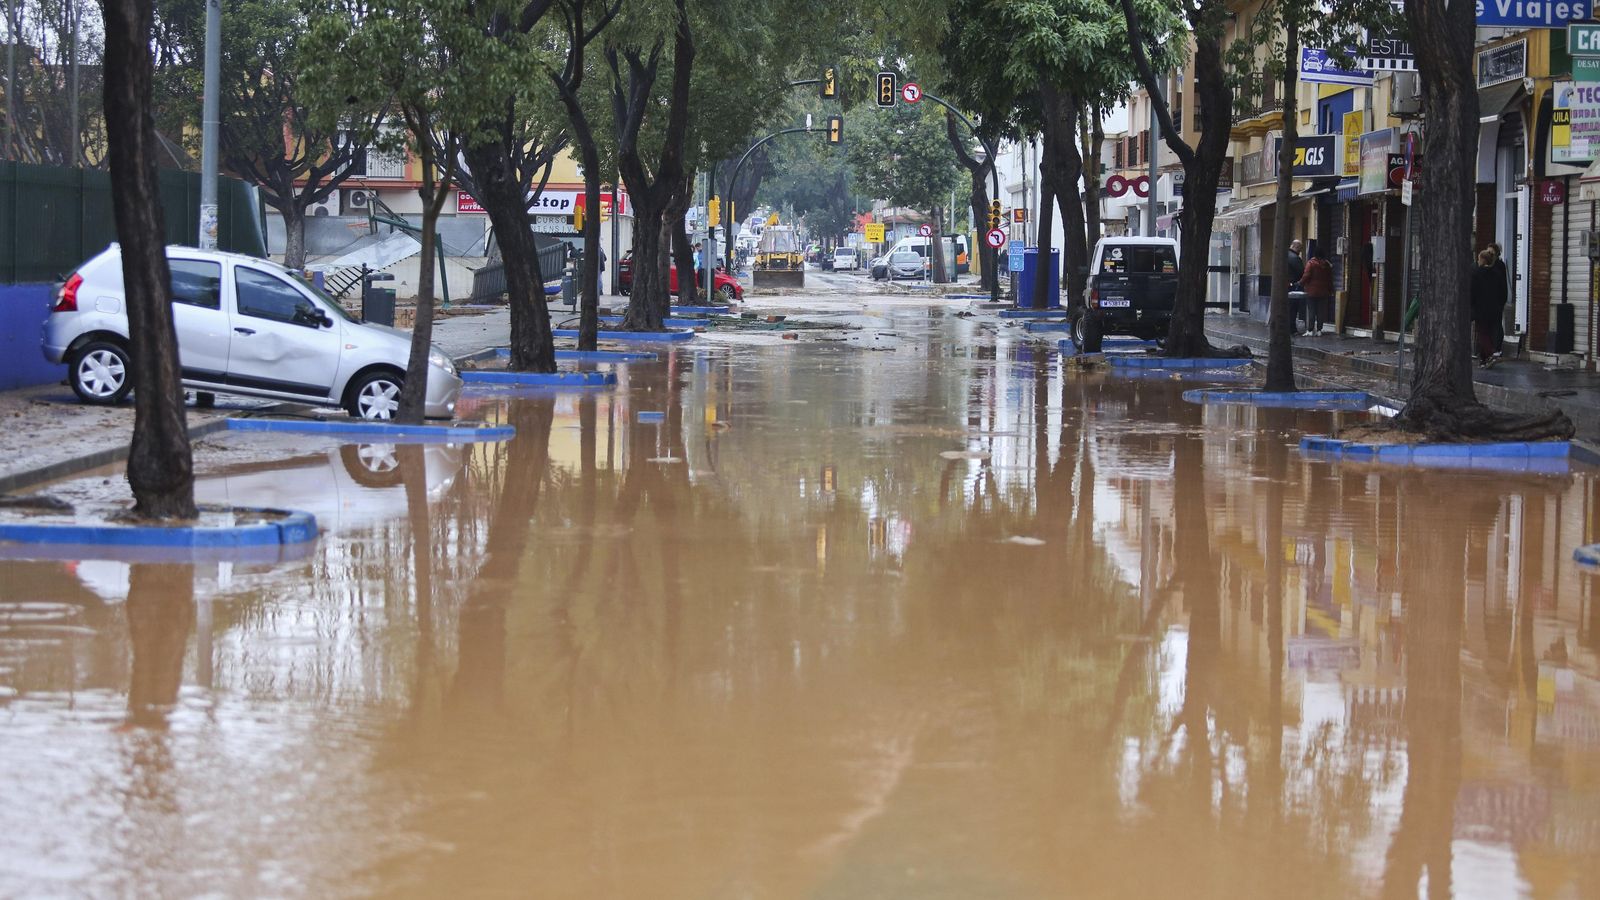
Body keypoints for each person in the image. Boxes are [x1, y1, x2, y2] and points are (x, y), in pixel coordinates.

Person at [1471, 247, 1508, 367]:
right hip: (1495, 308)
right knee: (1491, 332)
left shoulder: (1477, 274)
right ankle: (1484, 359)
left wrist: (1471, 306)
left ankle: (1491, 353)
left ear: (1482, 260)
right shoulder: (1496, 274)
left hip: (1481, 309)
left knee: (1483, 333)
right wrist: (1500, 304)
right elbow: (1502, 291)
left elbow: (1472, 292)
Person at [1299, 249, 1333, 337]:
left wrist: (1300, 283)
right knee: (1320, 312)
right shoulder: (1327, 265)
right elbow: (1330, 279)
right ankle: (1319, 330)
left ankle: (1310, 330)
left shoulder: (1311, 264)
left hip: (1311, 292)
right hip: (1323, 292)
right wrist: (1330, 290)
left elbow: (1306, 275)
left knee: (1312, 311)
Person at [1285, 239, 1306, 329]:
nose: (1300, 251)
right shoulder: (1295, 258)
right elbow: (1302, 272)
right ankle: (1291, 328)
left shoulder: (1284, 255)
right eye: (1300, 248)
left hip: (1285, 286)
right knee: (1293, 308)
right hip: (1294, 287)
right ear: (1296, 247)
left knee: (1287, 308)